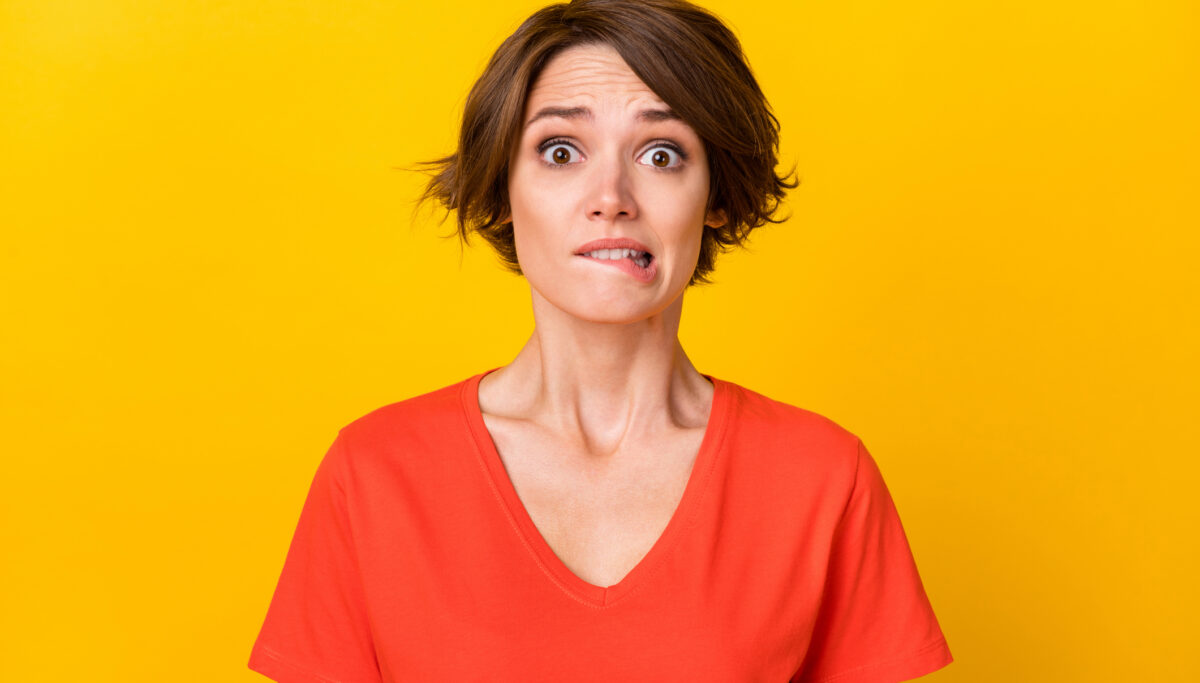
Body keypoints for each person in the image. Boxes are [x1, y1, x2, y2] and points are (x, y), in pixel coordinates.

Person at [247, 0, 954, 681]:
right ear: (499, 191)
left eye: (661, 153)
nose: (610, 193)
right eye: (561, 150)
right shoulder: (372, 475)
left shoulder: (824, 479)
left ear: (719, 200)